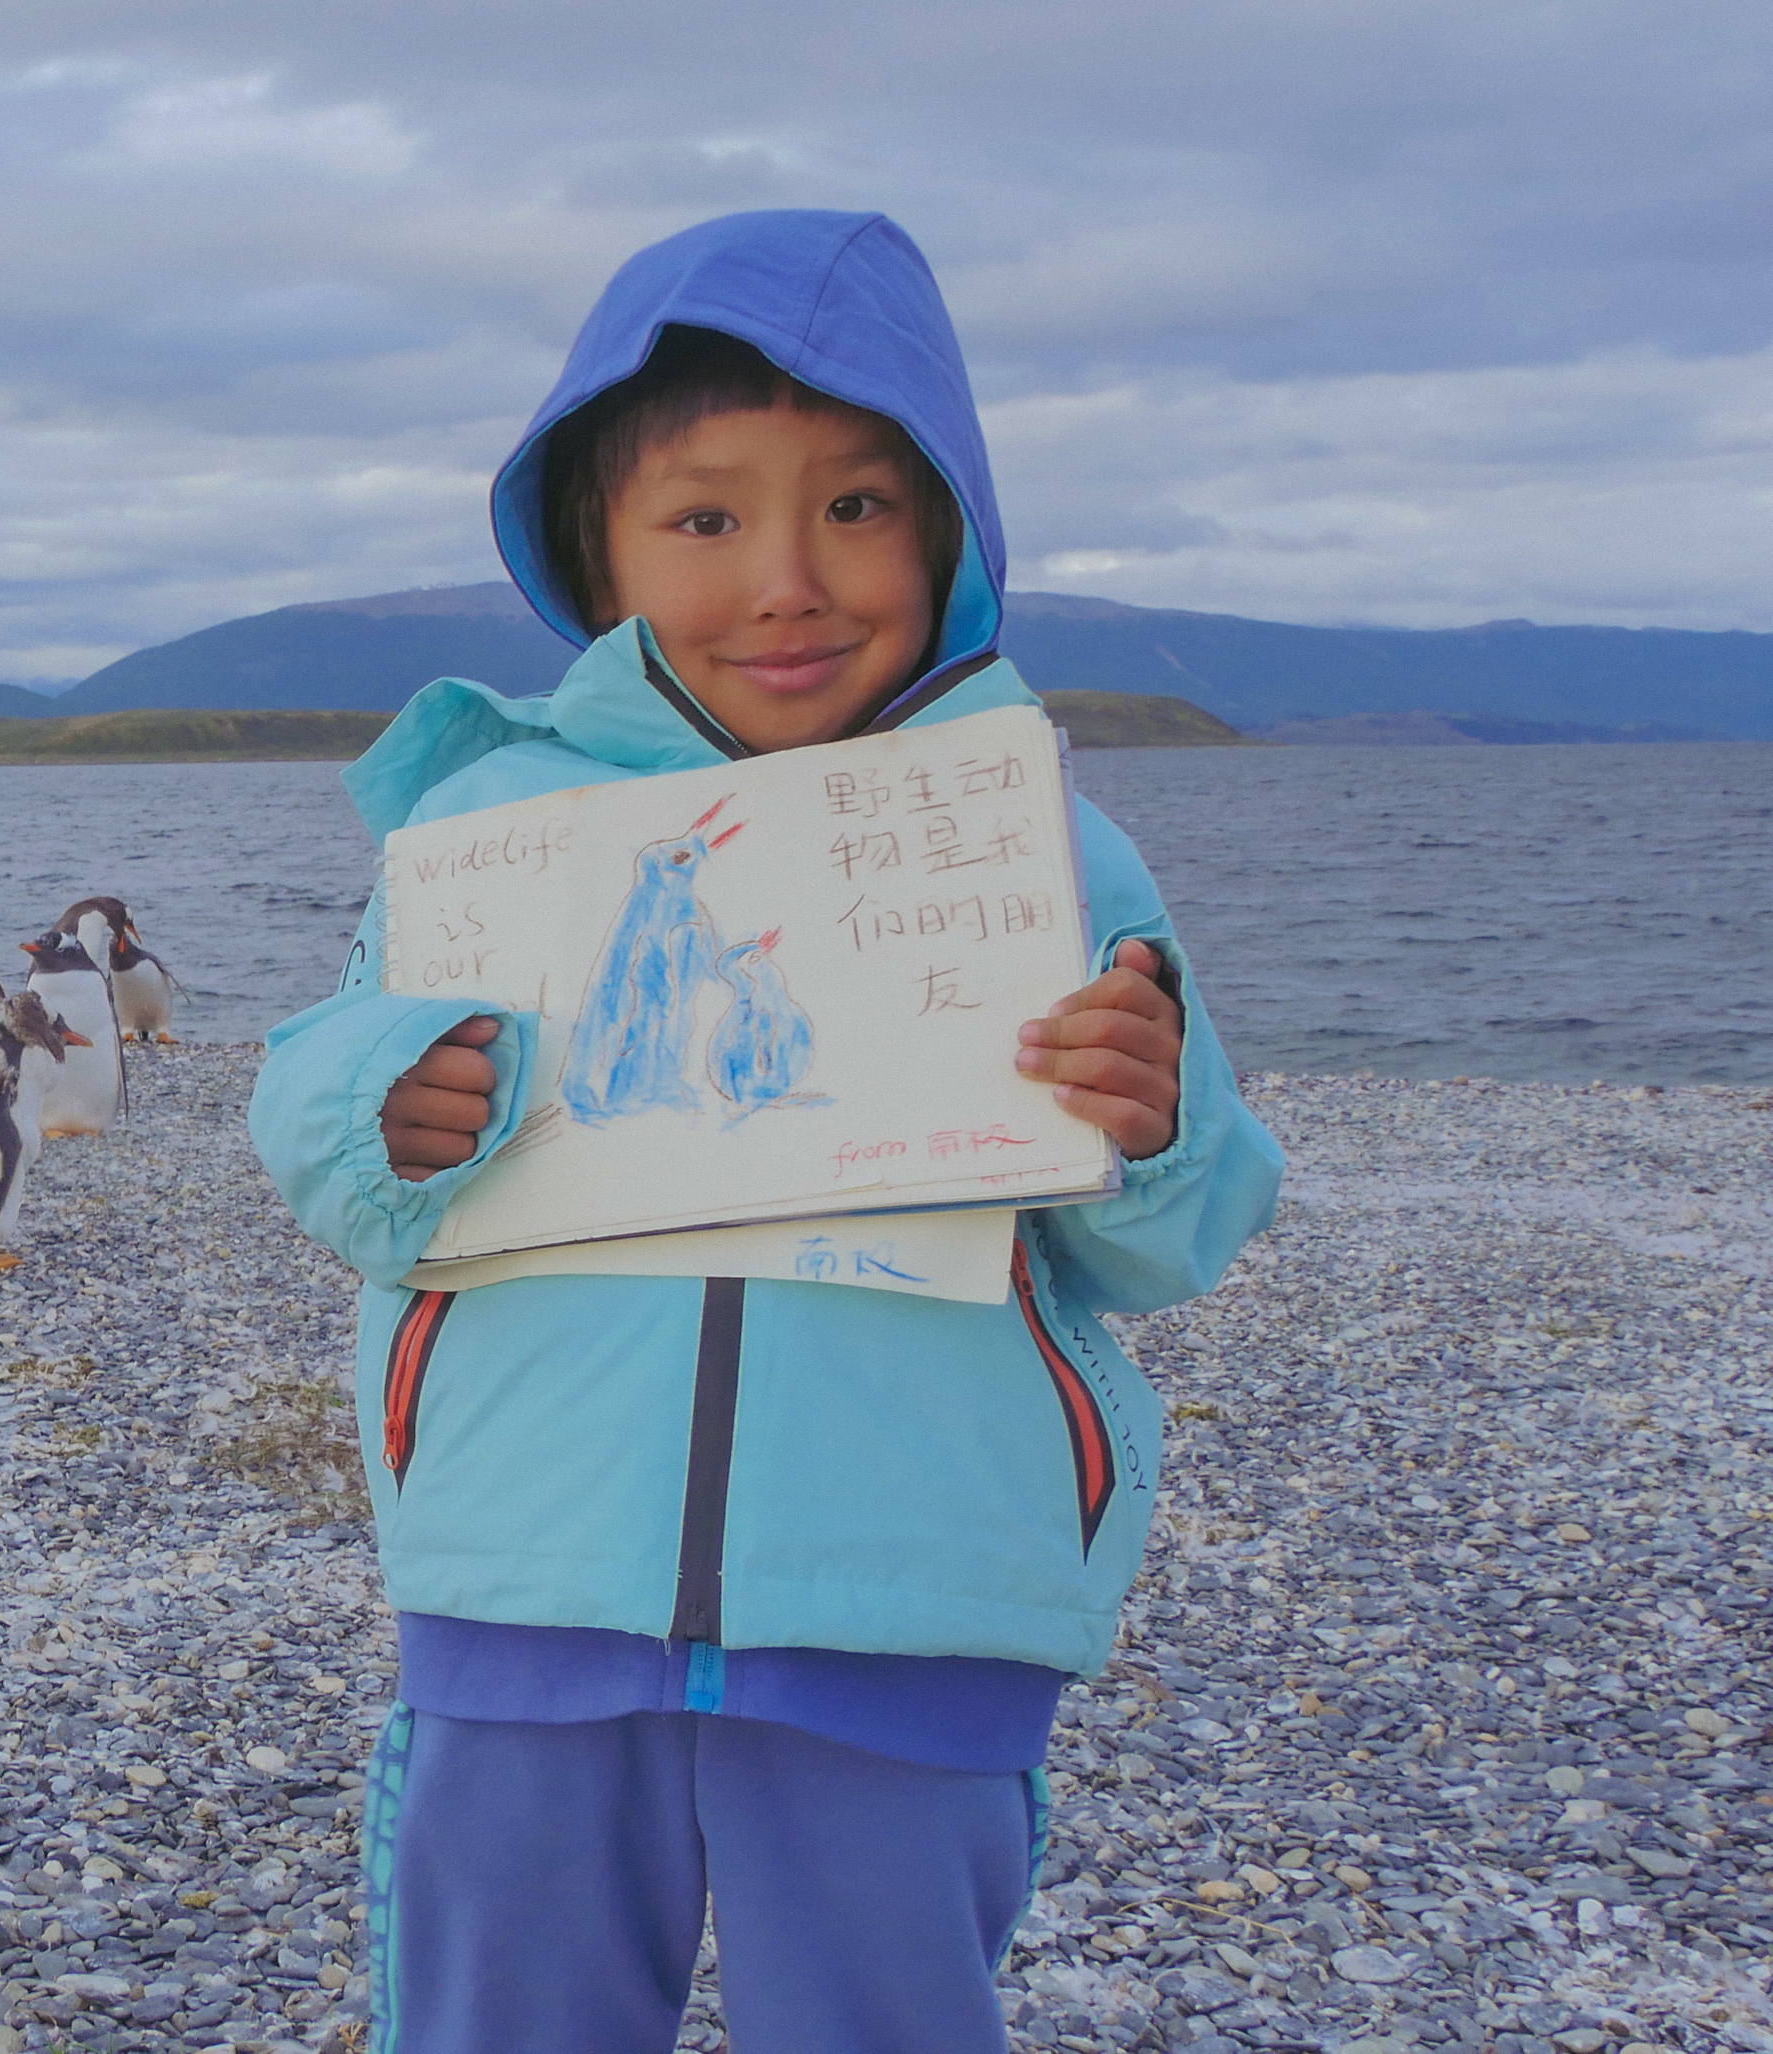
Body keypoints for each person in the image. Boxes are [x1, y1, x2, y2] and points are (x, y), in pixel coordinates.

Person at [246, 210, 1286, 2052]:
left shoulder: (1047, 846)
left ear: (947, 528)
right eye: (707, 518)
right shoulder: (487, 829)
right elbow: (329, 1157)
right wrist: (378, 1108)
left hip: (911, 1600)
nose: (787, 580)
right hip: (530, 1579)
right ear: (595, 549)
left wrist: (1153, 1122)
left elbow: (1164, 1243)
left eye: (856, 506)